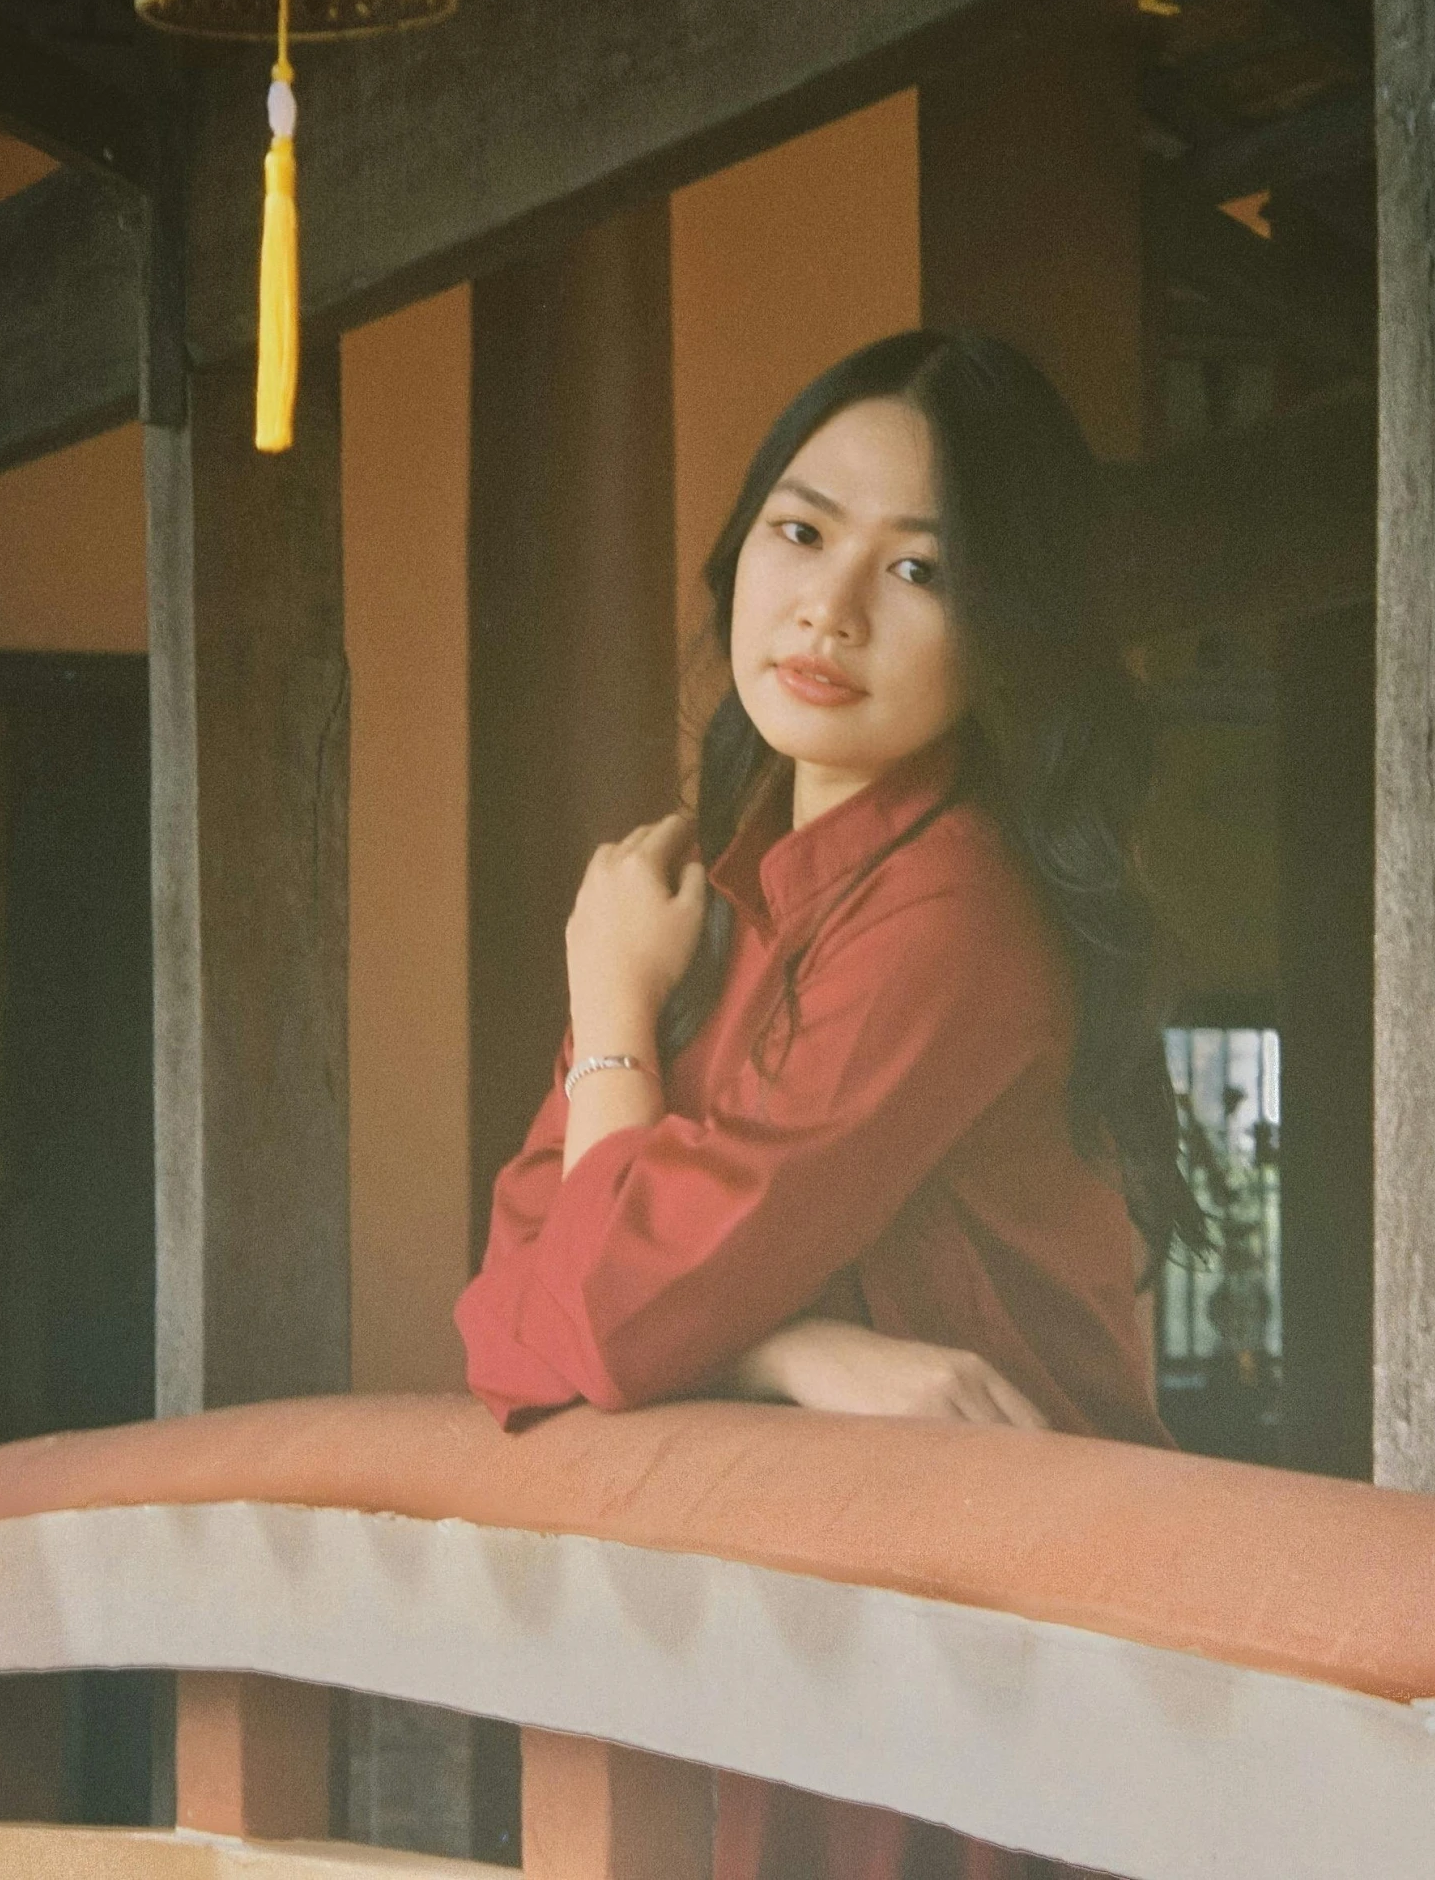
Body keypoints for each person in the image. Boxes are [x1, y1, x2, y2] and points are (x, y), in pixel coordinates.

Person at [455, 329, 1206, 1880]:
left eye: (918, 572)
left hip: (982, 1654)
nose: (828, 608)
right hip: (805, 1618)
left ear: (1008, 632)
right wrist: (789, 1346)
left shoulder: (953, 906)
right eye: (800, 532)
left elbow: (590, 1307)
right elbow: (506, 1308)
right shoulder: (706, 891)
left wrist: (605, 1008)